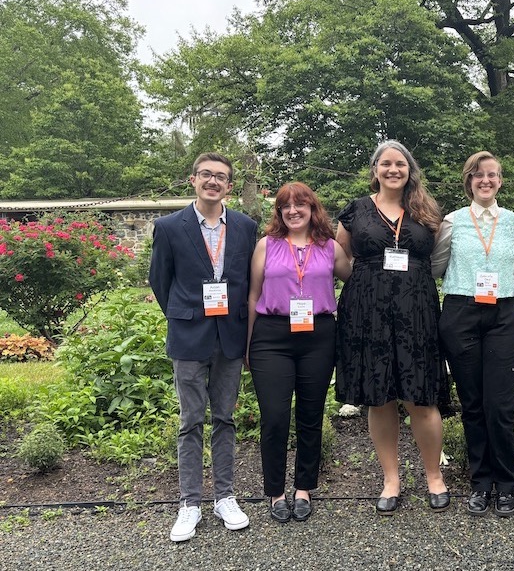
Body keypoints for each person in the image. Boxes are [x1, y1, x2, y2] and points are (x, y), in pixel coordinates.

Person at [335, 140, 449, 515]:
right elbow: (340, 258)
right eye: (386, 164)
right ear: (375, 169)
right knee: (379, 395)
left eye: (400, 164)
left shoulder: (425, 210)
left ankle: (434, 476)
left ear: (409, 170)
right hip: (367, 311)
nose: (393, 170)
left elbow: (438, 257)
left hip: (416, 310)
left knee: (422, 396)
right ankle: (391, 479)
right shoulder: (356, 210)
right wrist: (368, 286)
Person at [149, 152, 258, 542]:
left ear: (229, 185)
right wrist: (186, 314)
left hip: (229, 336)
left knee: (225, 420)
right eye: (207, 175)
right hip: (189, 336)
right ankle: (189, 503)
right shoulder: (169, 226)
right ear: (193, 179)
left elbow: (248, 281)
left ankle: (225, 497)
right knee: (190, 421)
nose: (214, 182)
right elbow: (160, 282)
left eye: (221, 177)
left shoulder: (245, 227)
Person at [246, 182, 351, 523]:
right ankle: (276, 491)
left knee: (310, 415)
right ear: (278, 211)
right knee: (275, 417)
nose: (293, 211)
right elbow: (252, 296)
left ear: (312, 209)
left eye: (300, 205)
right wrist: (248, 344)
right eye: (285, 206)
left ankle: (304, 488)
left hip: (318, 336)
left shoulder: (329, 247)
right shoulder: (266, 246)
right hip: (271, 337)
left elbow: (356, 277)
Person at [431, 151, 514, 517]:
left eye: (493, 175)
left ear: (500, 181)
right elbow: (438, 265)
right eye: (479, 175)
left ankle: (506, 483)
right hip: (461, 312)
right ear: (468, 181)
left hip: (503, 314)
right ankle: (481, 483)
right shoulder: (451, 222)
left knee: (499, 404)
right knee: (471, 403)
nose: (486, 181)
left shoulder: (513, 222)